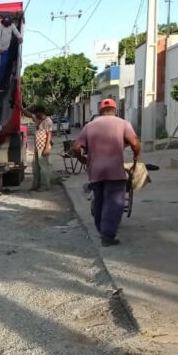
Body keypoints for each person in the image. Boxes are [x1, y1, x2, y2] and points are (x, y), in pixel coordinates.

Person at [70, 99, 141, 247]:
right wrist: (136, 156)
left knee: (100, 200)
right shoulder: (123, 124)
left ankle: (101, 229)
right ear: (115, 110)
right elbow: (134, 143)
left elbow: (76, 147)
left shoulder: (89, 126)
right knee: (114, 202)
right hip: (115, 170)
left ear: (100, 111)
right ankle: (107, 235)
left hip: (95, 171)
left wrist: (82, 158)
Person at [0, 16, 22, 91]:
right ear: (3, 23)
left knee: (2, 67)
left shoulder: (12, 26)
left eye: (7, 24)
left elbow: (16, 32)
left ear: (10, 23)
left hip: (5, 50)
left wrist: (20, 37)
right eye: (5, 24)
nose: (6, 25)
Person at [31, 105, 53, 190]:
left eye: (37, 112)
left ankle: (45, 186)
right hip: (37, 147)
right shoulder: (38, 119)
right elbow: (29, 114)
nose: (35, 114)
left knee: (44, 167)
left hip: (43, 147)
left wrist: (47, 148)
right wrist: (20, 107)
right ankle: (36, 185)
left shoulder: (48, 121)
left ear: (41, 112)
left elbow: (49, 135)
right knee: (35, 167)